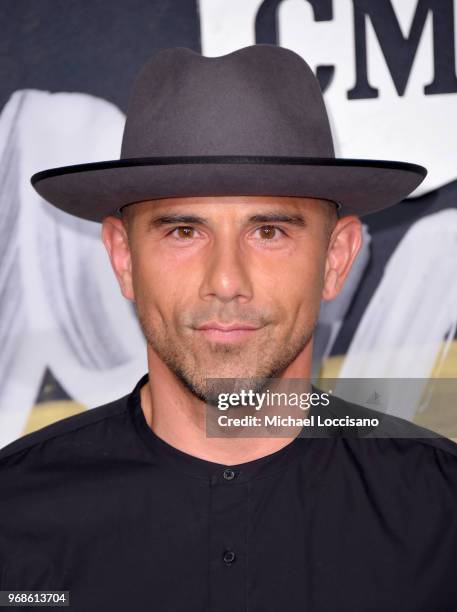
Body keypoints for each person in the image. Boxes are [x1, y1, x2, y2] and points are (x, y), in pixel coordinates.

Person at [1, 44, 456, 612]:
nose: (224, 281)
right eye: (182, 232)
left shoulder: (442, 515)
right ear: (122, 258)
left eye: (268, 232)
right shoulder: (14, 514)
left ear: (336, 258)